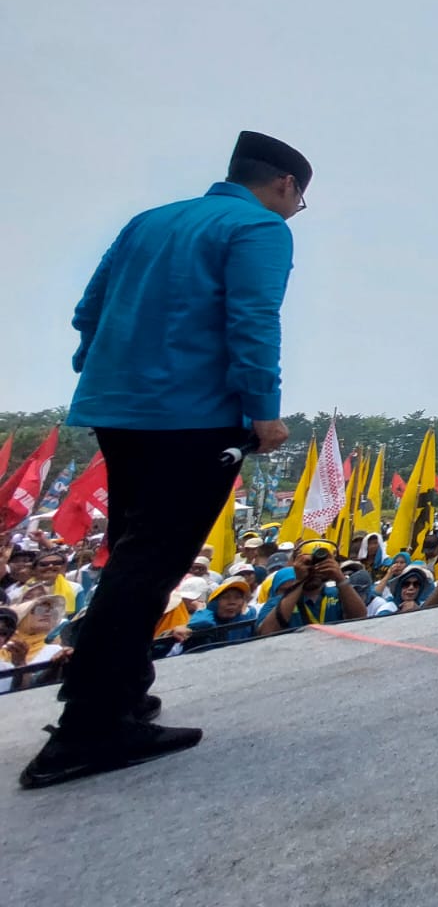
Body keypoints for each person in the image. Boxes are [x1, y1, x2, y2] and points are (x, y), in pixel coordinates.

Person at [20, 131, 308, 791]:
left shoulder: (148, 222)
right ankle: (88, 728)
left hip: (119, 410)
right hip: (194, 414)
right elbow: (254, 319)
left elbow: (87, 310)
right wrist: (264, 409)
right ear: (286, 185)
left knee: (131, 550)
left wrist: (100, 367)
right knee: (152, 562)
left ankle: (123, 692)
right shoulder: (260, 227)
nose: (295, 212)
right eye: (298, 200)